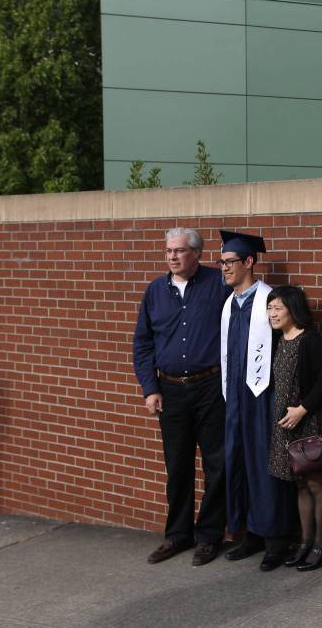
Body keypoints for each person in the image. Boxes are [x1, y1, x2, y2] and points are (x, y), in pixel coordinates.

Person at [132, 227, 230, 566]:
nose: (172, 256)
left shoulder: (218, 285)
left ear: (197, 254)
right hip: (170, 390)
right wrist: (150, 388)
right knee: (177, 466)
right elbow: (143, 343)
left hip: (211, 388)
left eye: (179, 251)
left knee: (216, 464)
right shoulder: (155, 292)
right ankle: (177, 535)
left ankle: (209, 536)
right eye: (168, 251)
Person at [218, 230, 298, 571]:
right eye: (220, 263)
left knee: (266, 465)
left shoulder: (270, 301)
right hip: (235, 399)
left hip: (263, 398)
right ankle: (250, 532)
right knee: (238, 462)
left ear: (249, 262)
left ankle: (276, 540)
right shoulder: (229, 303)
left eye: (230, 262)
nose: (223, 269)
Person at [266, 285, 322, 571]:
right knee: (299, 483)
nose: (272, 314)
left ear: (293, 310)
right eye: (269, 308)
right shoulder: (279, 340)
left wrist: (302, 410)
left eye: (277, 308)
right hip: (286, 425)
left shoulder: (310, 341)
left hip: (309, 421)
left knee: (317, 484)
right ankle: (305, 542)